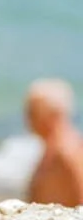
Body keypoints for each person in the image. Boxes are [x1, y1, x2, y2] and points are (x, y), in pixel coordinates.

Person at [25, 78, 83, 207]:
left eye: (31, 111)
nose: (27, 118)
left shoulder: (67, 152)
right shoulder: (54, 150)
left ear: (50, 113)